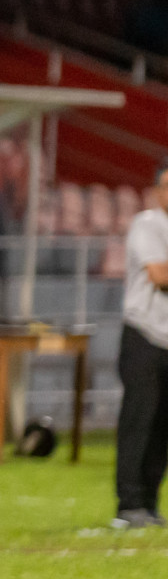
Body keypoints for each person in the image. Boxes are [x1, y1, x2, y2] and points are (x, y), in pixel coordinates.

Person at [113, 160, 168, 529]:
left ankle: (148, 503)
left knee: (163, 424)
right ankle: (128, 503)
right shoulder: (148, 224)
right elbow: (160, 274)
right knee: (139, 419)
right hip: (144, 336)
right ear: (158, 191)